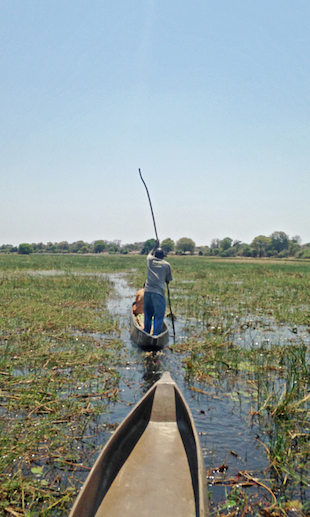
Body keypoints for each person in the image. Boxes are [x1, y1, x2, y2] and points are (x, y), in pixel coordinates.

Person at [144, 240, 173, 336]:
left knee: (148, 314)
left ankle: (146, 333)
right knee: (159, 315)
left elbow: (149, 254)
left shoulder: (150, 260)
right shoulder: (166, 265)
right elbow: (168, 280)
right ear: (163, 256)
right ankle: (156, 335)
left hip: (147, 292)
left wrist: (155, 246)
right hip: (158, 293)